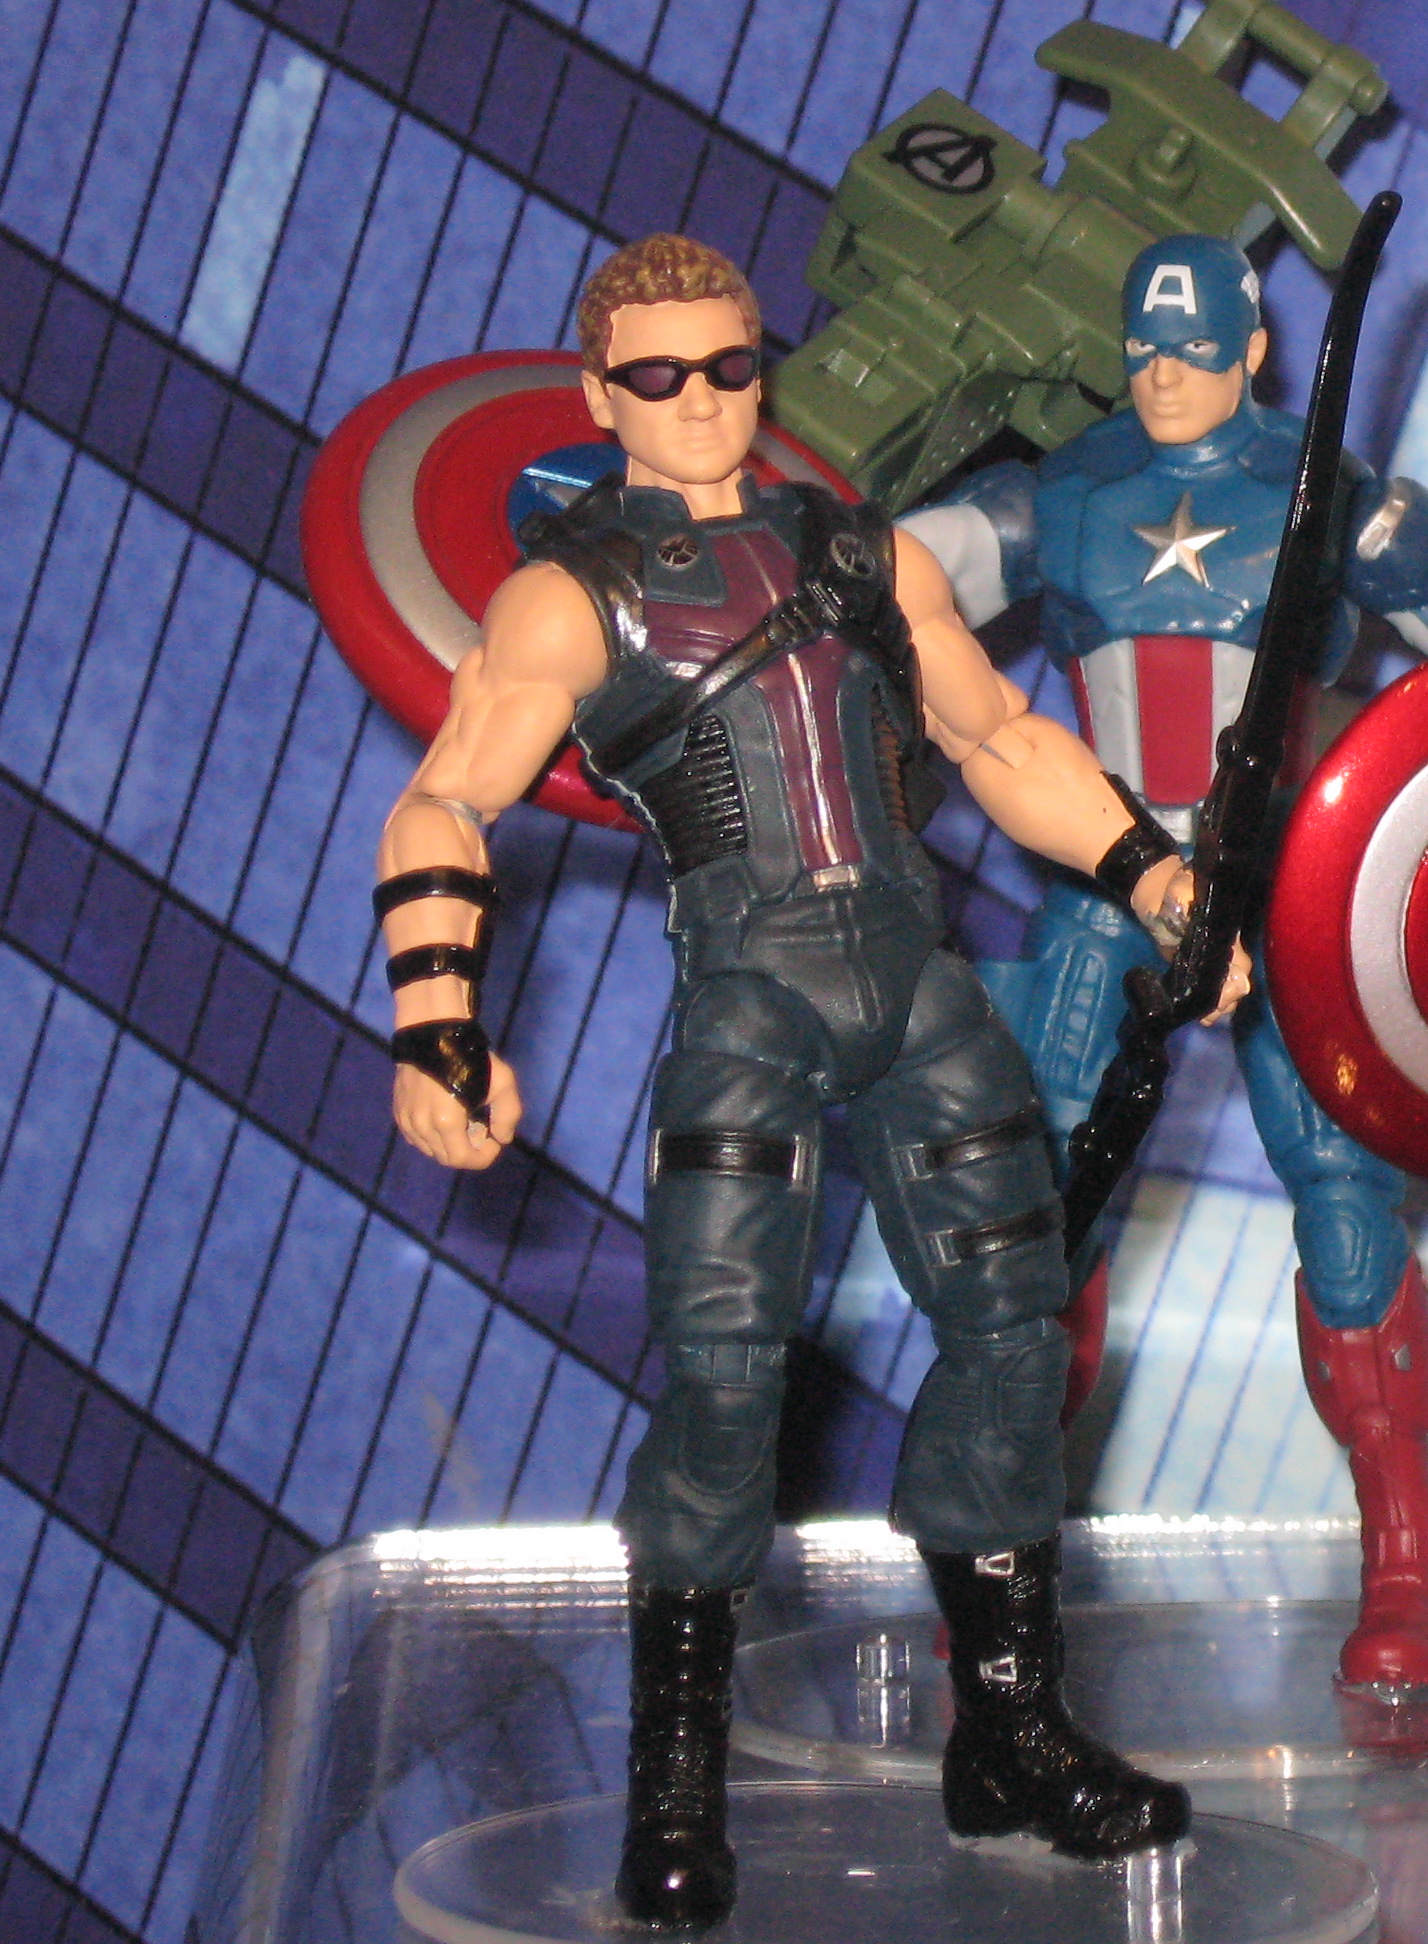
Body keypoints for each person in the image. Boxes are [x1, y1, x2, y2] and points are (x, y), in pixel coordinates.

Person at [375, 234, 1244, 1928]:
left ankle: (1009, 1733)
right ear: (597, 393)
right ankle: (676, 1780)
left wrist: (1156, 879)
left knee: (1016, 1333)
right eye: (658, 374)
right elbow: (447, 800)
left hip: (916, 981)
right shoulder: (570, 596)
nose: (702, 399)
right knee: (722, 1382)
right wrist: (436, 1019)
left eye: (730, 364)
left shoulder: (858, 553)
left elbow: (996, 738)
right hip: (752, 997)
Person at [901, 234, 1428, 1693]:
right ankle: (999, 1554)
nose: (1164, 375)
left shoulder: (1351, 510)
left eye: (1194, 349)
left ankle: (1405, 1557)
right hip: (1103, 881)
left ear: (1254, 349)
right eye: (1144, 349)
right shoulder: (1061, 492)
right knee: (1037, 1215)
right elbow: (885, 577)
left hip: (1288, 895)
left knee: (1343, 1196)